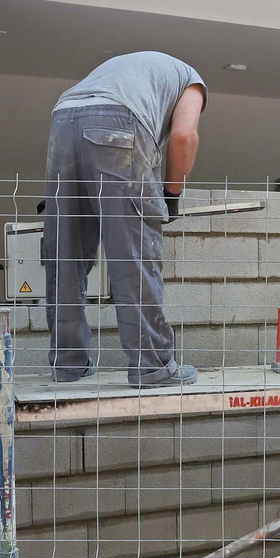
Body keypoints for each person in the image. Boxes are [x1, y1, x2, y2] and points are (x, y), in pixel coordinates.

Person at [42, 51, 206, 387]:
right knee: (134, 254)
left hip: (63, 118)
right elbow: (184, 137)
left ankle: (68, 363)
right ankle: (153, 367)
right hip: (119, 121)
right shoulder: (193, 82)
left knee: (65, 252)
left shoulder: (135, 70)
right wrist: (171, 195)